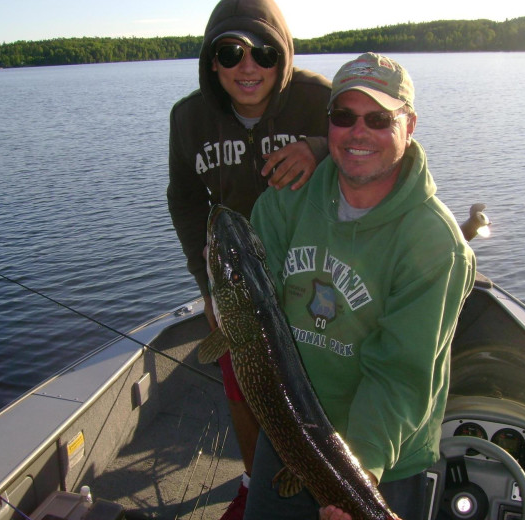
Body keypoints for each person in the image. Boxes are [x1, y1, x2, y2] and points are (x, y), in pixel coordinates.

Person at [247, 53, 477, 519]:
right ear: (327, 123)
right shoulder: (288, 197)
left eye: (378, 119)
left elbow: (400, 374)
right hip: (289, 432)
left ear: (409, 126)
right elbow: (253, 309)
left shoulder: (434, 243)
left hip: (381, 460)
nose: (358, 132)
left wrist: (361, 470)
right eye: (343, 116)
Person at [166, 0, 331, 518]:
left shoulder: (319, 98)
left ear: (282, 57)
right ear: (212, 62)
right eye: (231, 52)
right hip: (237, 278)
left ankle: (330, 473)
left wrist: (320, 146)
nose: (248, 66)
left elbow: (376, 144)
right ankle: (251, 477)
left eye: (263, 52)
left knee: (320, 383)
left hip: (312, 269)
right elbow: (186, 200)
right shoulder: (189, 118)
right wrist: (208, 284)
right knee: (243, 387)